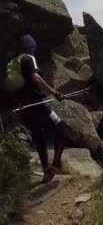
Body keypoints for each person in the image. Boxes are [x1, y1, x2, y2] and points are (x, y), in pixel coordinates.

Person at [3, 35, 66, 183]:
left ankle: (46, 171)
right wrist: (55, 92)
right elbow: (36, 78)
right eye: (33, 48)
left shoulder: (13, 63)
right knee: (60, 128)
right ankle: (56, 163)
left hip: (24, 108)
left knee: (39, 137)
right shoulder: (28, 58)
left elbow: (10, 87)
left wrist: (15, 103)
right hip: (37, 104)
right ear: (30, 47)